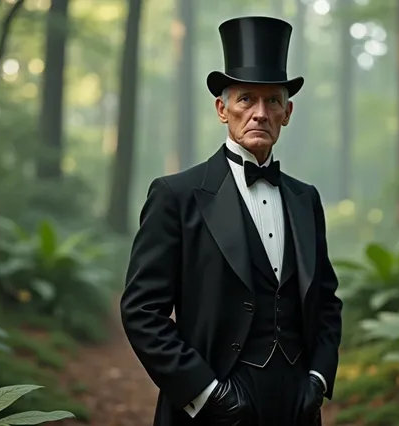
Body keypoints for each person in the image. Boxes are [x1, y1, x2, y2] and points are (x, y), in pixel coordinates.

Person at [120, 15, 343, 426]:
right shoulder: (176, 195)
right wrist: (206, 394)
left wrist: (317, 377)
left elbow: (326, 302)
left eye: (272, 101)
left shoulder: (305, 198)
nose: (260, 113)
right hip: (212, 406)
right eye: (246, 99)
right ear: (222, 109)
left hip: (296, 406)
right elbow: (142, 312)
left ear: (287, 112)